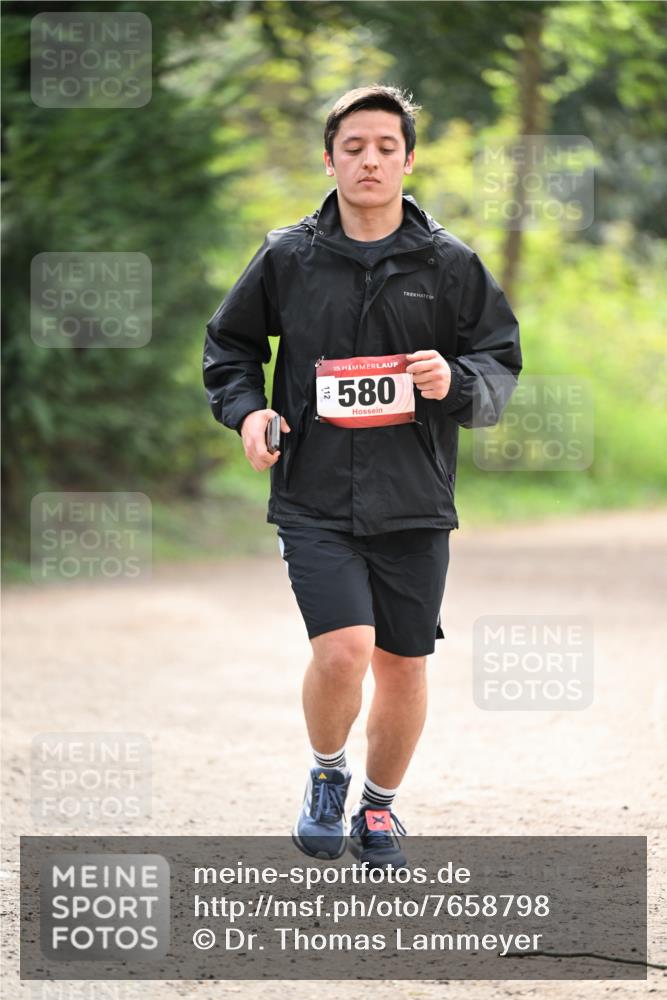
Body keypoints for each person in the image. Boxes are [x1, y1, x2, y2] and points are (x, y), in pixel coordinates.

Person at [203, 84, 521, 869]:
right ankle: (325, 774)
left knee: (402, 663)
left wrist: (456, 381)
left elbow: (498, 358)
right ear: (329, 159)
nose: (369, 160)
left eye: (385, 146)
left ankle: (378, 810)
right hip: (312, 494)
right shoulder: (287, 256)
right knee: (344, 650)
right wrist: (248, 414)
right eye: (353, 147)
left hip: (414, 496)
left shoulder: (448, 264)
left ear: (408, 160)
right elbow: (230, 349)